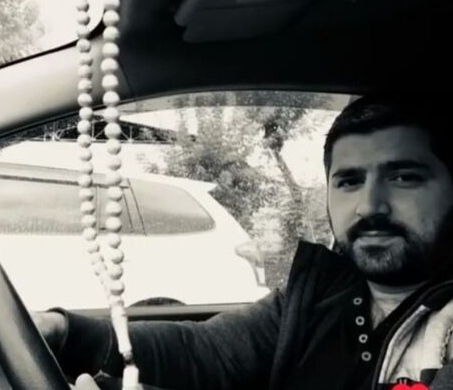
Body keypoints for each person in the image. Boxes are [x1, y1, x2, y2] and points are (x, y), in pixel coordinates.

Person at [37, 94, 453, 390]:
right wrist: (68, 333)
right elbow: (206, 351)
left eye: (404, 177)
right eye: (349, 181)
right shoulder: (319, 295)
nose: (370, 206)